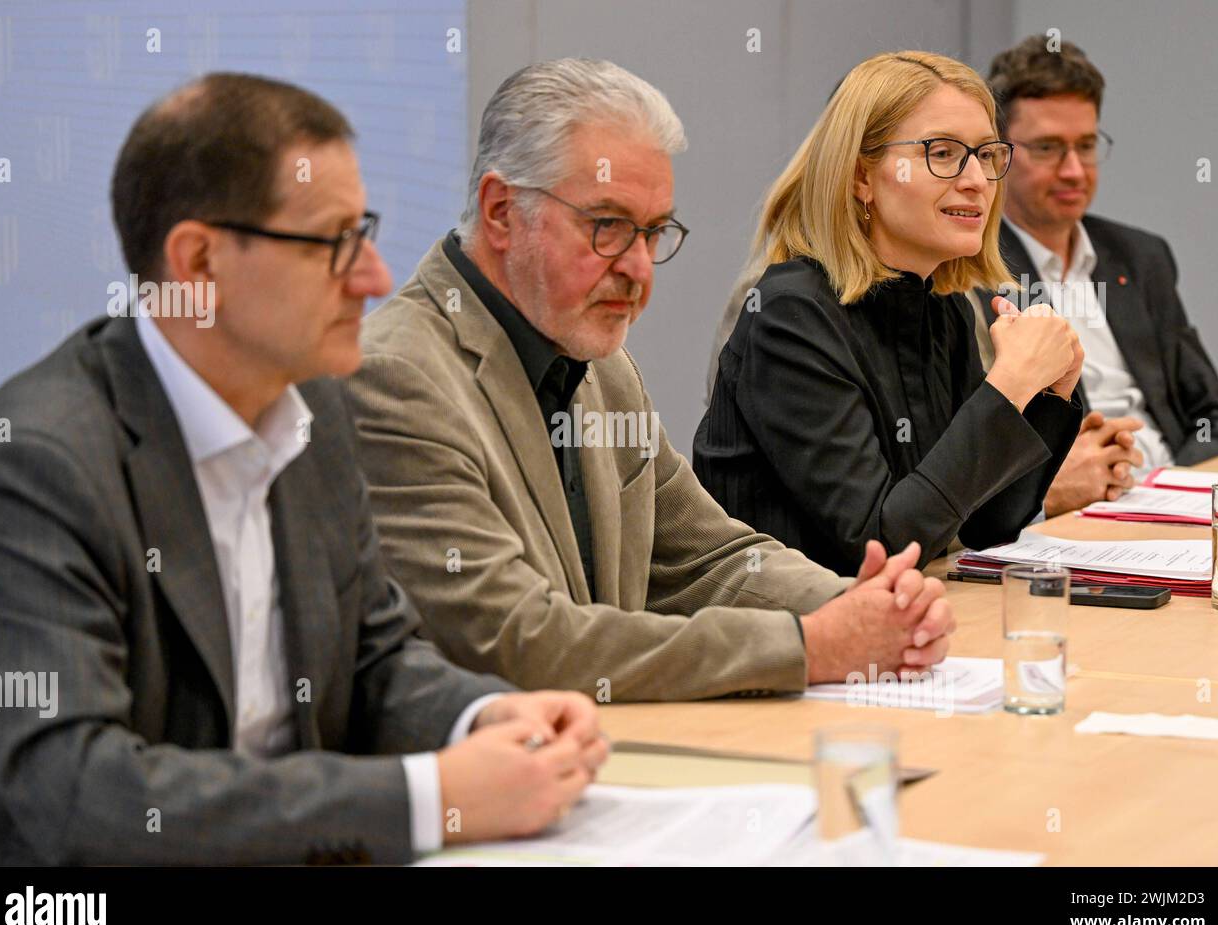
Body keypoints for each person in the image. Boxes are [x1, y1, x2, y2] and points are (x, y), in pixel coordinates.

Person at [0, 73, 607, 865]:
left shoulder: (316, 413)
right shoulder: (39, 463)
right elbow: (86, 796)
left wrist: (487, 721)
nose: (373, 277)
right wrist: (432, 797)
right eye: (333, 242)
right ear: (197, 261)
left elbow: (375, 659)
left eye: (363, 233)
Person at [347, 58, 954, 703]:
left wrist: (863, 605)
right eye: (607, 227)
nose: (639, 269)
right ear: (502, 212)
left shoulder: (602, 364)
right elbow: (517, 641)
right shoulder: (395, 377)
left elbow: (707, 560)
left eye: (654, 232)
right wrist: (810, 647)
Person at [694, 51, 1085, 577]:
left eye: (987, 155)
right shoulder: (791, 316)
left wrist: (1048, 395)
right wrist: (1008, 386)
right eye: (944, 153)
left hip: (901, 628)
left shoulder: (942, 306)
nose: (977, 181)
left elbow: (986, 524)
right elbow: (880, 546)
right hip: (792, 642)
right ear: (861, 176)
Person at [970, 35, 1218, 516]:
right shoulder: (974, 268)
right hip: (1067, 511)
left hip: (1172, 497)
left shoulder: (1140, 257)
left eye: (1085, 145)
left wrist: (1172, 490)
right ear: (1000, 156)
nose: (1074, 170)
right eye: (1048, 149)